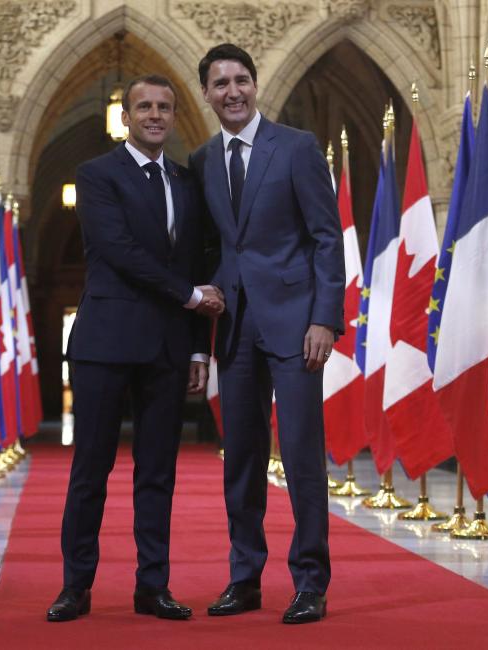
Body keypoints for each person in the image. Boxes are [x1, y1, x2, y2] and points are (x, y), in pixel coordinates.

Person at [48, 74, 224, 623]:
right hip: (105, 341)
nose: (154, 115)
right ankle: (75, 588)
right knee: (90, 471)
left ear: (174, 116)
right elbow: (117, 249)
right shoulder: (96, 175)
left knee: (158, 474)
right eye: (144, 106)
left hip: (168, 348)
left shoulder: (188, 183)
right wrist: (191, 295)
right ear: (126, 117)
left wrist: (199, 350)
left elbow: (200, 261)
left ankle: (153, 587)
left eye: (164, 107)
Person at [189, 44, 345, 624]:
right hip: (233, 327)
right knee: (242, 461)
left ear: (255, 86)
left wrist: (324, 318)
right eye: (220, 83)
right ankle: (245, 578)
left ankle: (310, 582)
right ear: (205, 93)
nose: (232, 92)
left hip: (296, 324)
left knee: (302, 455)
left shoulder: (297, 148)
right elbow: (208, 248)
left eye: (241, 81)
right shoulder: (203, 160)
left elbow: (327, 238)